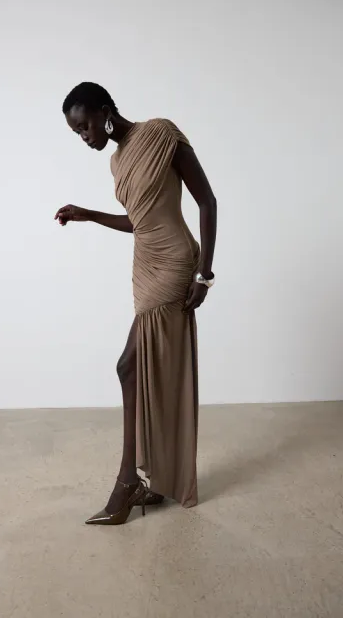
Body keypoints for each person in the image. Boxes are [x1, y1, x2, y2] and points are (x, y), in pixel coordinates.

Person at [55, 82, 217, 525]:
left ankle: (128, 483)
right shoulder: (117, 160)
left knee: (129, 366)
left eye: (85, 126)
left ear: (105, 111)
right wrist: (88, 214)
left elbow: (206, 200)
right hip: (145, 264)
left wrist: (205, 273)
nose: (84, 136)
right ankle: (155, 479)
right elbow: (139, 221)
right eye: (76, 132)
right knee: (142, 368)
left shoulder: (161, 133)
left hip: (175, 263)